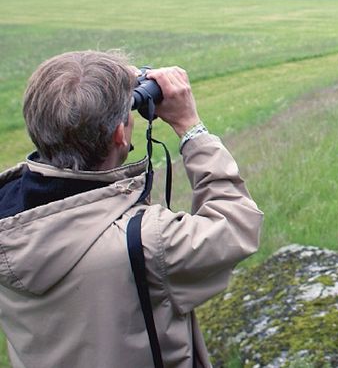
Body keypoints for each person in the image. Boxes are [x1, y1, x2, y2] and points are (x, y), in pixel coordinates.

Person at [0, 51, 263, 367]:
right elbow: (238, 223)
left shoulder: (10, 220)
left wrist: (95, 88)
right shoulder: (147, 242)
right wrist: (190, 127)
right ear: (120, 135)